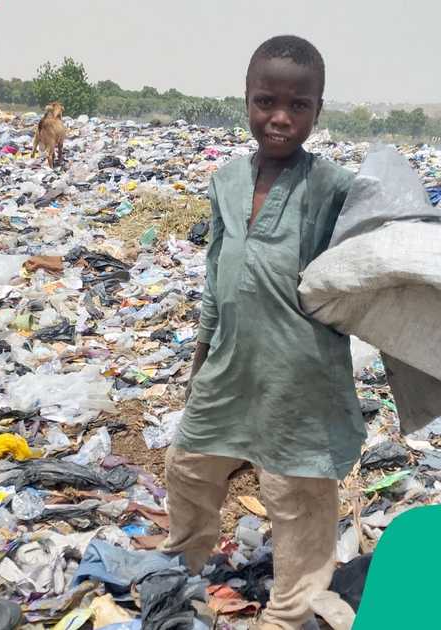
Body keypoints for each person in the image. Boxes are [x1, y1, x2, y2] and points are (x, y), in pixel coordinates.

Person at [162, 35, 364, 630]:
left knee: (295, 495)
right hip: (229, 361)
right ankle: (184, 563)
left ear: (317, 110)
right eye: (265, 101)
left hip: (301, 372)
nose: (279, 118)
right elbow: (214, 271)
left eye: (297, 106)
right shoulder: (225, 180)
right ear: (246, 101)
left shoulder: (333, 187)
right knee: (189, 464)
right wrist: (200, 352)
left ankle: (288, 613)